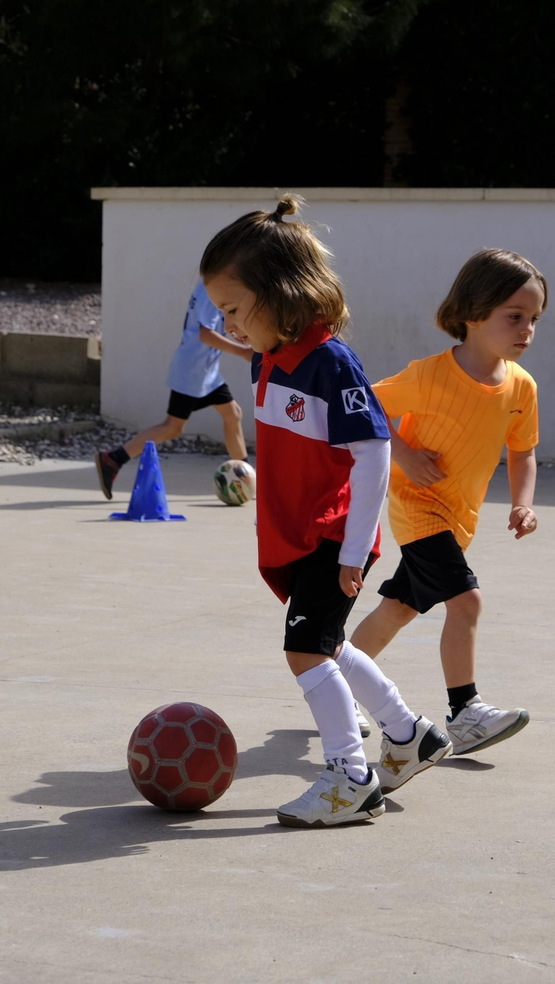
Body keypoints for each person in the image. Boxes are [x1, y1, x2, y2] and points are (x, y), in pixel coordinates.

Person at [200, 195, 450, 828]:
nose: (228, 324)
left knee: (304, 651)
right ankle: (410, 734)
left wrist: (350, 553)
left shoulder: (331, 364)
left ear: (280, 293)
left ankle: (349, 775)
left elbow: (372, 453)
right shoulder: (268, 356)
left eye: (233, 310)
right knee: (328, 645)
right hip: (301, 532)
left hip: (332, 536)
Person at [349, 248, 546, 756]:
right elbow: (363, 409)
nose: (526, 330)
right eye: (515, 316)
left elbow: (523, 454)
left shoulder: (522, 387)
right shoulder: (428, 376)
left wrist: (522, 503)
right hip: (417, 506)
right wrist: (406, 455)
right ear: (473, 313)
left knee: (398, 609)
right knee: (467, 600)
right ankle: (465, 713)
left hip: (460, 518)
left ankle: (339, 677)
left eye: (534, 319)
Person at [95, 280, 252, 499]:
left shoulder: (209, 285)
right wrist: (243, 351)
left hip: (206, 372)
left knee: (232, 413)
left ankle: (246, 478)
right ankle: (113, 458)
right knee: (173, 427)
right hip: (191, 372)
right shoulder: (211, 290)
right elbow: (205, 334)